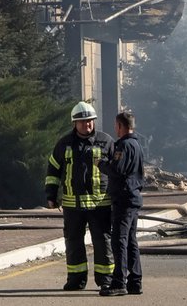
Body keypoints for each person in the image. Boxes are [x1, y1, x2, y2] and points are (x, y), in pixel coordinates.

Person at [44, 101, 115, 291]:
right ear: (74, 124)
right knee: (74, 242)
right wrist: (51, 194)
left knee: (102, 242)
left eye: (90, 121)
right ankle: (75, 279)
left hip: (100, 204)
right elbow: (53, 170)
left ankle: (106, 279)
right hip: (72, 205)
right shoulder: (64, 144)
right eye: (83, 122)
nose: (87, 125)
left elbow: (116, 171)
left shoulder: (106, 141)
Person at [97, 110, 145, 296]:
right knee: (131, 241)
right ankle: (135, 281)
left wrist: (100, 164)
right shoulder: (138, 146)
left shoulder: (123, 146)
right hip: (133, 197)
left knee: (119, 240)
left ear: (120, 126)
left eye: (116, 126)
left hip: (123, 199)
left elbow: (116, 169)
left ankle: (119, 282)